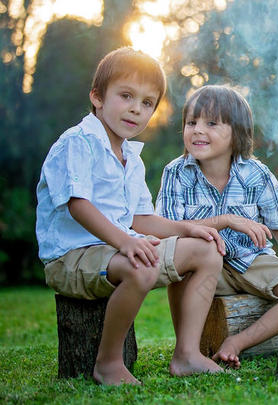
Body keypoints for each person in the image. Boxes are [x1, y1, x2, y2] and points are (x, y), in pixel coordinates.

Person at [36, 47, 227, 385]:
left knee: (207, 250)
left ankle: (186, 354)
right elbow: (78, 206)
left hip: (118, 249)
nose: (136, 109)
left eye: (147, 103)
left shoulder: (131, 158)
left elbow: (141, 219)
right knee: (141, 264)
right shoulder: (78, 143)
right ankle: (108, 362)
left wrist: (187, 229)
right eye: (126, 96)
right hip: (72, 256)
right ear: (97, 97)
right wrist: (125, 242)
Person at [156, 84, 278, 368]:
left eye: (211, 123)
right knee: (182, 263)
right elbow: (167, 228)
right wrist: (224, 220)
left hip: (252, 262)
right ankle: (186, 352)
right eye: (191, 123)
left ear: (236, 132)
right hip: (201, 269)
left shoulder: (256, 173)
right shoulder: (176, 172)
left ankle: (238, 342)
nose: (198, 130)